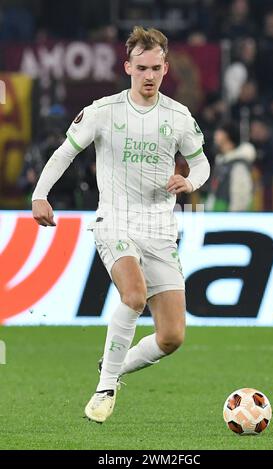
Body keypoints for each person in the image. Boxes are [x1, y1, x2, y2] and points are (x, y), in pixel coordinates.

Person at [32, 26, 210, 423]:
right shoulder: (102, 112)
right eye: (142, 67)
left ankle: (112, 366)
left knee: (172, 337)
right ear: (127, 66)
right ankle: (105, 389)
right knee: (134, 296)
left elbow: (201, 162)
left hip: (161, 229)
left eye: (157, 68)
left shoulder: (178, 116)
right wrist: (40, 195)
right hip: (115, 220)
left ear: (166, 69)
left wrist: (190, 180)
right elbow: (65, 153)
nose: (149, 76)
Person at [206, 122, 256, 211]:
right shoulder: (223, 162)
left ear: (226, 136)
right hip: (218, 217)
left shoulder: (238, 165)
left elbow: (241, 197)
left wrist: (233, 220)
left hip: (229, 220)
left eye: (219, 132)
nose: (215, 136)